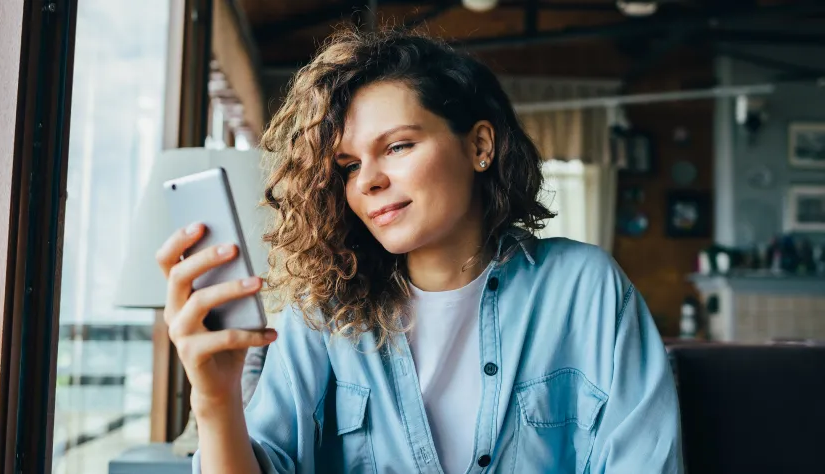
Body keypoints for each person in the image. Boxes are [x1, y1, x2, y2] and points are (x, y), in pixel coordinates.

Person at [155, 28, 683, 474]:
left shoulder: (586, 288)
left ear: (479, 146)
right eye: (348, 166)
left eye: (398, 146)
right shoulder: (324, 313)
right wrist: (217, 397)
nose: (369, 181)